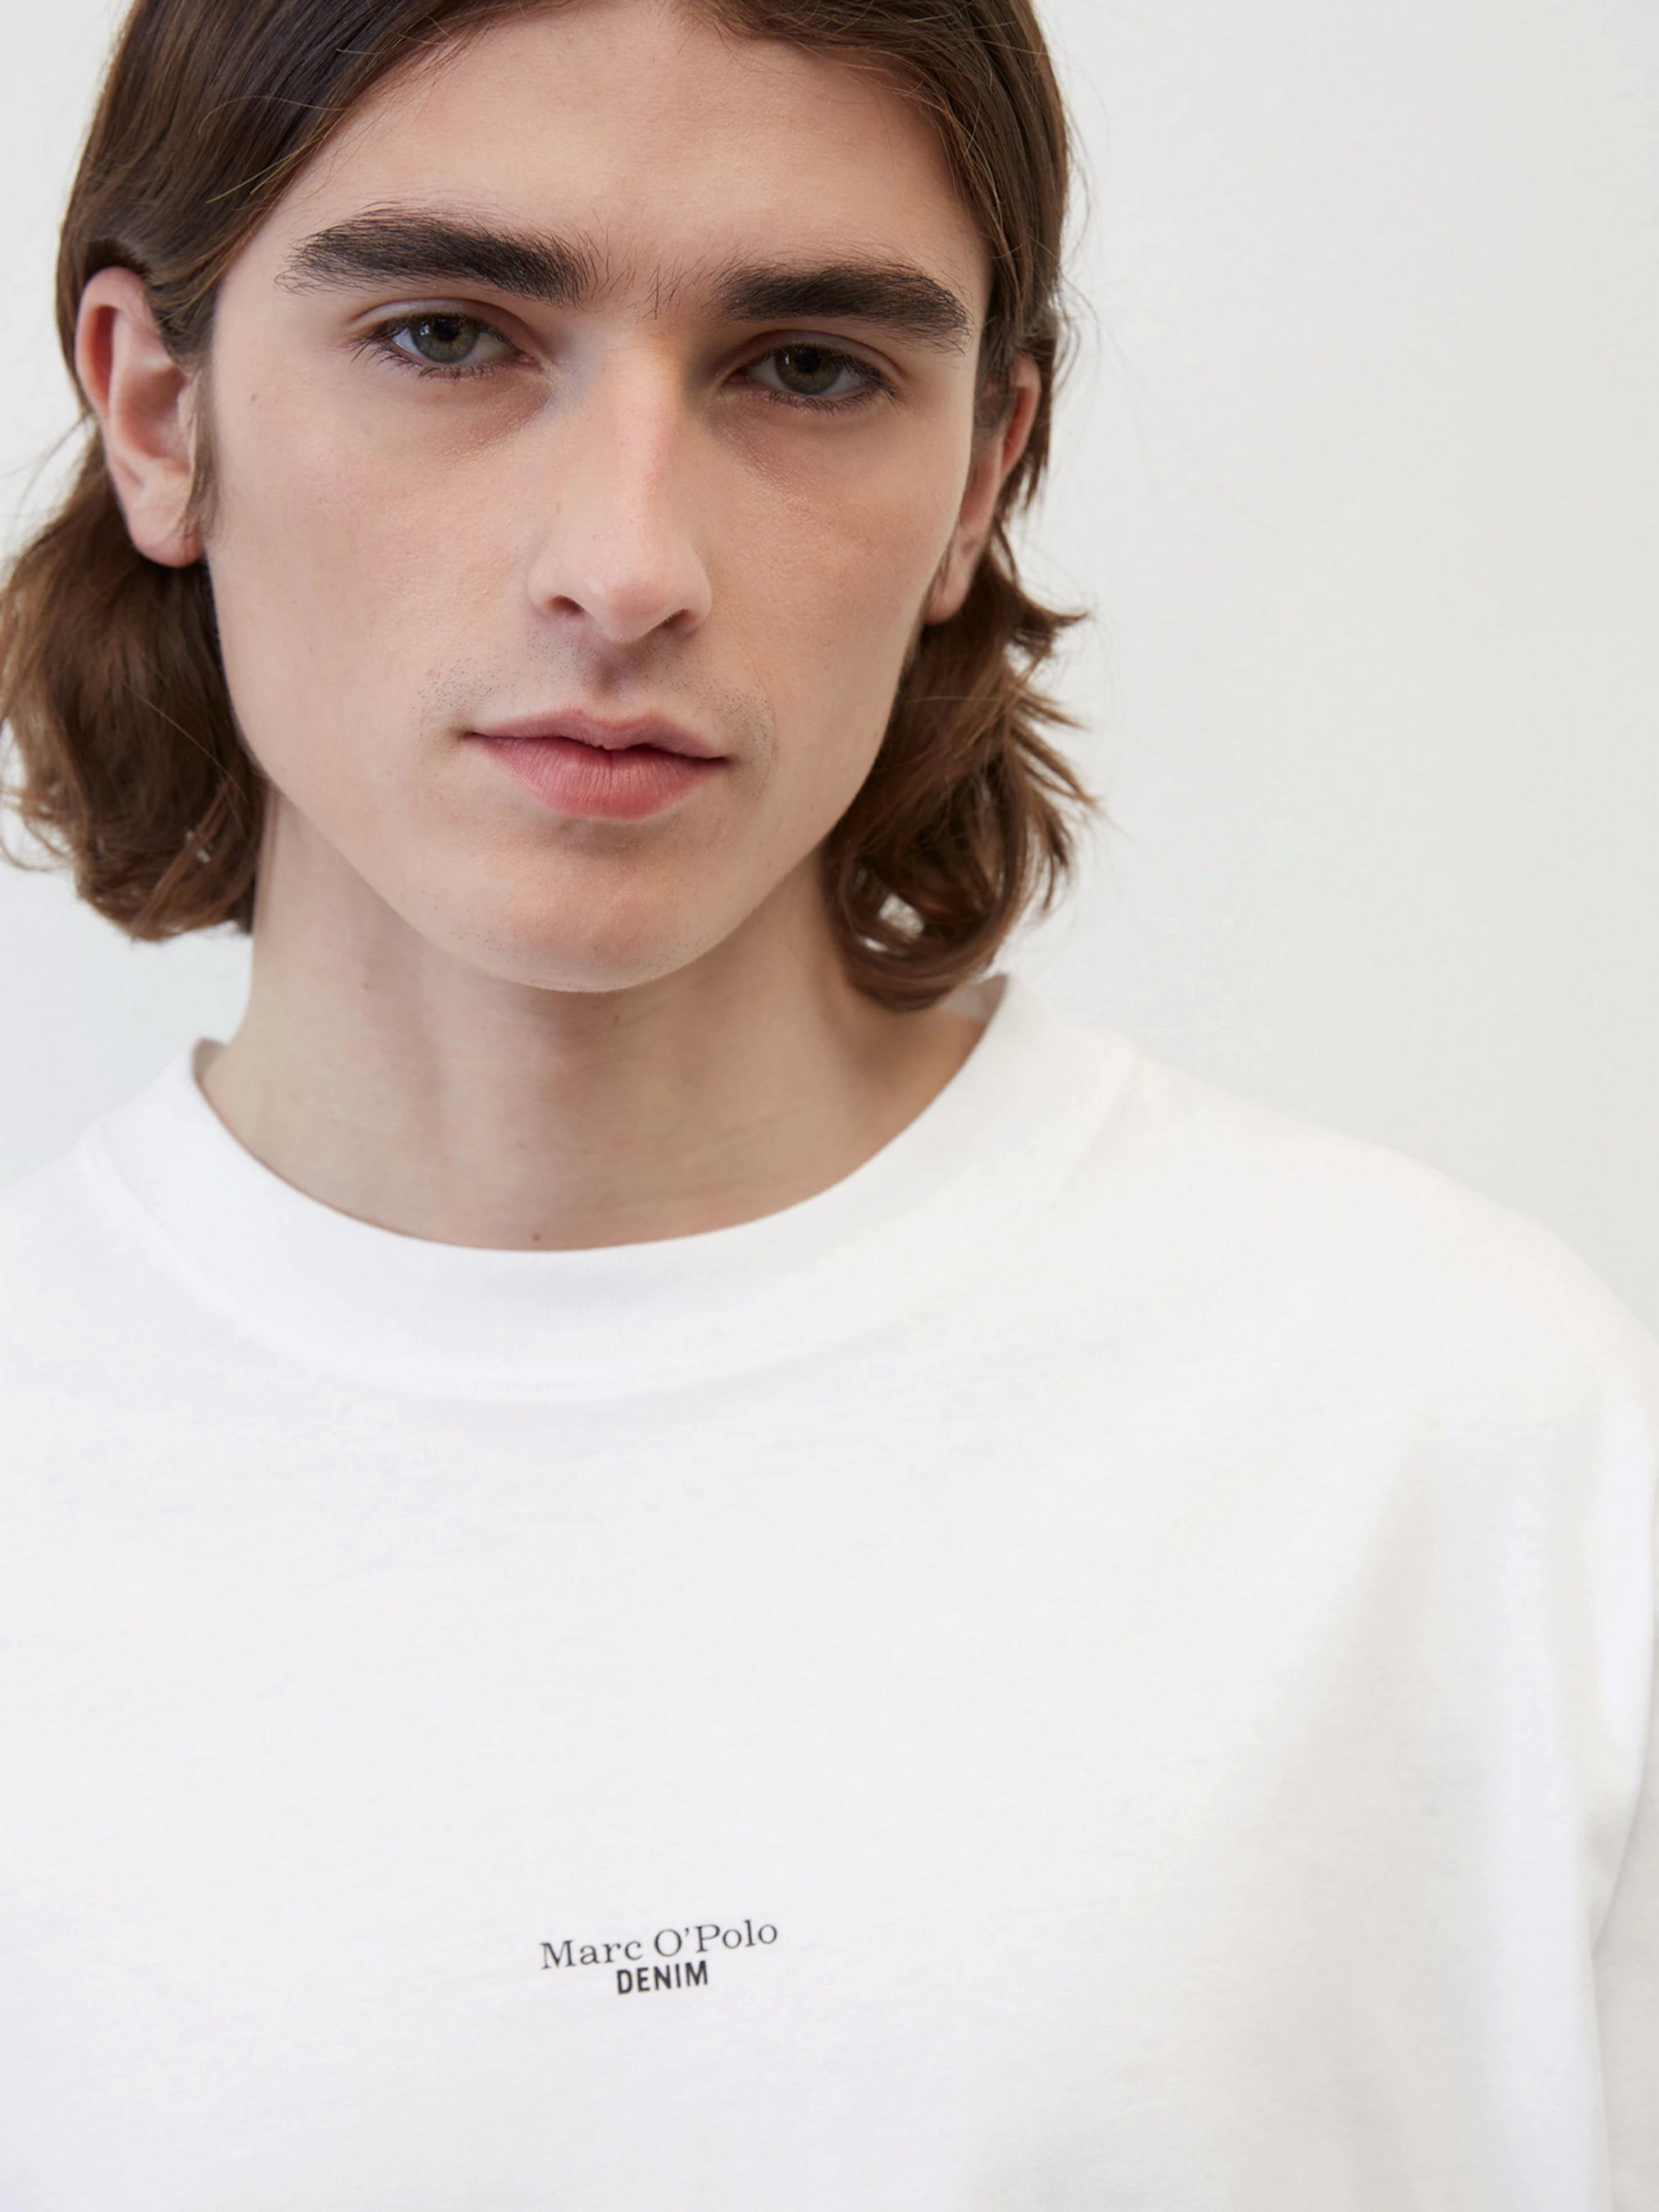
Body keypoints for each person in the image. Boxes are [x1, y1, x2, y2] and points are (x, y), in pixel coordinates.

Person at [0, 0, 1653, 2203]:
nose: (626, 567)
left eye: (804, 369)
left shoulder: (1462, 1443)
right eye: (444, 336)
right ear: (156, 408)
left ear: (979, 473)